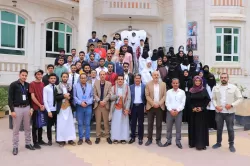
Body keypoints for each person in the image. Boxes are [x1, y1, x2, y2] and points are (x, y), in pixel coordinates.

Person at [212, 73, 242, 153]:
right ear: (220, 79)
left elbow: (240, 98)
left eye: (225, 77)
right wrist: (216, 106)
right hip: (219, 112)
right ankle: (218, 143)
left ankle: (231, 144)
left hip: (230, 113)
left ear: (228, 78)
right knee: (219, 129)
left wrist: (232, 105)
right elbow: (213, 99)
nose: (223, 79)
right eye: (222, 78)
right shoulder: (216, 88)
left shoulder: (233, 87)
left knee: (230, 129)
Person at [8, 69, 35, 155]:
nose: (24, 77)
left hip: (27, 108)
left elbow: (30, 98)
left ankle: (28, 143)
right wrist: (12, 110)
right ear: (19, 75)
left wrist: (31, 108)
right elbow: (10, 99)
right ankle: (15, 146)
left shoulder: (28, 85)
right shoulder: (13, 85)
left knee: (27, 127)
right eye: (23, 75)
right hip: (17, 108)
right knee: (16, 129)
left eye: (26, 75)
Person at [188, 76, 211, 150]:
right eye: (196, 81)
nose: (197, 82)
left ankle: (201, 144)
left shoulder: (204, 90)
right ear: (194, 82)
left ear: (201, 82)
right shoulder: (191, 90)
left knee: (201, 128)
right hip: (193, 112)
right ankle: (193, 143)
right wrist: (193, 108)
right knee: (193, 127)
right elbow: (188, 101)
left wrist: (202, 108)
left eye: (199, 81)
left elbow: (207, 100)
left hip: (202, 112)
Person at [145, 71, 166, 147]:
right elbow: (147, 95)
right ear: (152, 76)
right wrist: (153, 103)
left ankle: (158, 140)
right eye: (154, 75)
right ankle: (149, 139)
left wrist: (159, 103)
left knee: (159, 124)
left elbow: (164, 96)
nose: (156, 76)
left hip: (159, 107)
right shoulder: (148, 84)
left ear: (159, 76)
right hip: (151, 107)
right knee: (150, 124)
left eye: (157, 75)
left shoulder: (163, 84)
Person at [55, 72, 76, 147]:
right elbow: (56, 97)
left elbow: (73, 96)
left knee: (69, 124)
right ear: (61, 77)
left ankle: (70, 139)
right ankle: (61, 140)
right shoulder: (57, 87)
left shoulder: (70, 86)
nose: (65, 78)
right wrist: (64, 96)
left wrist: (70, 97)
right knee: (61, 124)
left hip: (68, 107)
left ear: (68, 78)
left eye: (66, 77)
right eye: (63, 77)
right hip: (61, 108)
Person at [165, 78, 186, 149]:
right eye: (174, 83)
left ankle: (178, 141)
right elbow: (167, 102)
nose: (175, 84)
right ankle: (168, 140)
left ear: (179, 84)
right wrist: (171, 110)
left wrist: (177, 110)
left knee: (178, 128)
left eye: (176, 83)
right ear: (171, 84)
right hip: (169, 112)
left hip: (179, 112)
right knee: (168, 127)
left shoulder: (182, 92)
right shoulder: (168, 92)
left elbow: (183, 103)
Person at [110, 75, 131, 143]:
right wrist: (117, 96)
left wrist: (127, 108)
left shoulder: (127, 88)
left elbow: (129, 99)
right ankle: (115, 138)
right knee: (116, 123)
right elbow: (111, 98)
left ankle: (123, 138)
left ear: (123, 80)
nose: (120, 80)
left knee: (124, 123)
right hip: (115, 108)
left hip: (124, 108)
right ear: (116, 80)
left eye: (121, 79)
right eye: (119, 79)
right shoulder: (113, 88)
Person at [73, 73, 93, 145]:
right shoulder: (75, 86)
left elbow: (92, 96)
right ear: (80, 78)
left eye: (84, 78)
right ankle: (80, 138)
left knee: (87, 123)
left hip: (88, 106)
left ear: (87, 79)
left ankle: (87, 138)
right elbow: (74, 96)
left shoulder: (90, 86)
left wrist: (87, 103)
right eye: (82, 78)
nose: (83, 79)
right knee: (80, 123)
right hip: (79, 106)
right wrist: (80, 103)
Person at [93, 71, 112, 144]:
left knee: (106, 122)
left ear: (105, 75)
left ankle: (107, 136)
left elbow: (109, 94)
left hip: (105, 104)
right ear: (99, 75)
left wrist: (104, 101)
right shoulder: (95, 83)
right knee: (98, 122)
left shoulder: (109, 84)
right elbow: (94, 94)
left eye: (103, 74)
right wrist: (99, 101)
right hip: (98, 105)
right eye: (101, 74)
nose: (102, 76)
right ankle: (98, 136)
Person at [29, 69, 47, 149]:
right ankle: (35, 142)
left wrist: (43, 105)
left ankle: (40, 140)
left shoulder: (43, 83)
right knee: (35, 125)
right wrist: (39, 105)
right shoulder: (32, 84)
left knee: (41, 124)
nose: (40, 76)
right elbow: (32, 97)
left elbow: (44, 95)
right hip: (36, 107)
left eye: (41, 74)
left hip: (42, 107)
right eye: (38, 74)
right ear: (35, 75)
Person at [129, 74, 146, 145]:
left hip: (141, 106)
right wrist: (129, 108)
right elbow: (129, 98)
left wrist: (145, 106)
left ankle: (140, 138)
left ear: (140, 79)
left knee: (140, 123)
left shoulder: (144, 86)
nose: (137, 79)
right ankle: (132, 137)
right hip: (133, 106)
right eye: (136, 78)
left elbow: (145, 97)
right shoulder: (130, 87)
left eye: (139, 78)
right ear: (134, 79)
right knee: (133, 123)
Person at [43, 73, 58, 146]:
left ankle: (57, 139)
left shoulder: (57, 87)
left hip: (57, 110)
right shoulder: (46, 88)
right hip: (50, 110)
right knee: (49, 126)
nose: (53, 80)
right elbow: (45, 100)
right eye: (51, 78)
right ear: (49, 79)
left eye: (54, 78)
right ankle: (49, 140)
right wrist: (48, 111)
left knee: (57, 125)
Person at [203, 65, 217, 129]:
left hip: (214, 102)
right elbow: (205, 93)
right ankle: (208, 126)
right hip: (208, 102)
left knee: (213, 115)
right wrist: (207, 101)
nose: (211, 79)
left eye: (212, 78)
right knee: (208, 115)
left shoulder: (216, 86)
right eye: (209, 78)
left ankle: (213, 126)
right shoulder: (206, 85)